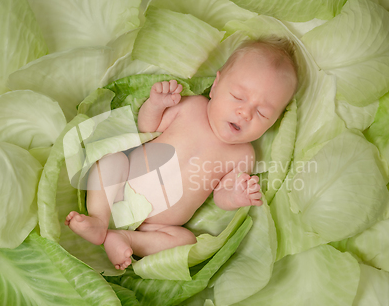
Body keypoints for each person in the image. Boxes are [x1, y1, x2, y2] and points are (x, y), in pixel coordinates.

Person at [65, 37, 298, 270]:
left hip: (156, 225)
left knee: (186, 241)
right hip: (121, 186)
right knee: (112, 161)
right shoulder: (191, 107)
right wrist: (156, 104)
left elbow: (221, 195)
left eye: (262, 113)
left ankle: (127, 239)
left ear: (274, 122)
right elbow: (148, 128)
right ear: (216, 86)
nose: (245, 113)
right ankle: (98, 218)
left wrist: (237, 196)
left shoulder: (243, 156)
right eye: (238, 96)